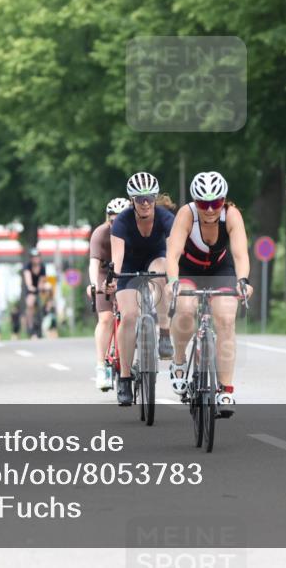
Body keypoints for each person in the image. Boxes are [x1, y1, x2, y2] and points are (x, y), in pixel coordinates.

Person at [165, 171, 252, 412]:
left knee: (225, 318)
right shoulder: (187, 214)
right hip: (188, 270)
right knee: (185, 309)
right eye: (204, 203)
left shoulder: (231, 215)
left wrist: (243, 280)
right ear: (196, 201)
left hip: (219, 270)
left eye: (216, 203)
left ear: (223, 200)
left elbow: (240, 255)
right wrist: (172, 281)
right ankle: (180, 361)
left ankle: (225, 389)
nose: (211, 209)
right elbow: (172, 254)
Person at [106, 171, 175, 406]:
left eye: (149, 198)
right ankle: (125, 378)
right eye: (139, 199)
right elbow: (117, 256)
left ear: (155, 198)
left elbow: (174, 250)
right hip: (129, 265)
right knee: (129, 316)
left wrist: (176, 275)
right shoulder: (123, 221)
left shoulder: (165, 217)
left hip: (156, 258)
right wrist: (114, 277)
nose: (145, 203)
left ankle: (164, 332)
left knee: (163, 272)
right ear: (132, 201)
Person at [88, 197, 130, 390]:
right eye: (114, 221)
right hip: (106, 275)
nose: (118, 225)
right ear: (108, 220)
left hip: (127, 273)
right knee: (105, 318)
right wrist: (94, 284)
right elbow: (94, 264)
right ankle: (100, 366)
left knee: (131, 316)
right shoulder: (100, 234)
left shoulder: (136, 233)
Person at [22, 248, 45, 339]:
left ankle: (43, 327)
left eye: (37, 257)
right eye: (34, 257)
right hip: (30, 289)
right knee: (30, 304)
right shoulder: (27, 266)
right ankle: (30, 328)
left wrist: (41, 287)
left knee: (44, 303)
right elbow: (28, 280)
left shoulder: (42, 267)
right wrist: (31, 287)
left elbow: (42, 280)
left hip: (39, 288)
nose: (36, 259)